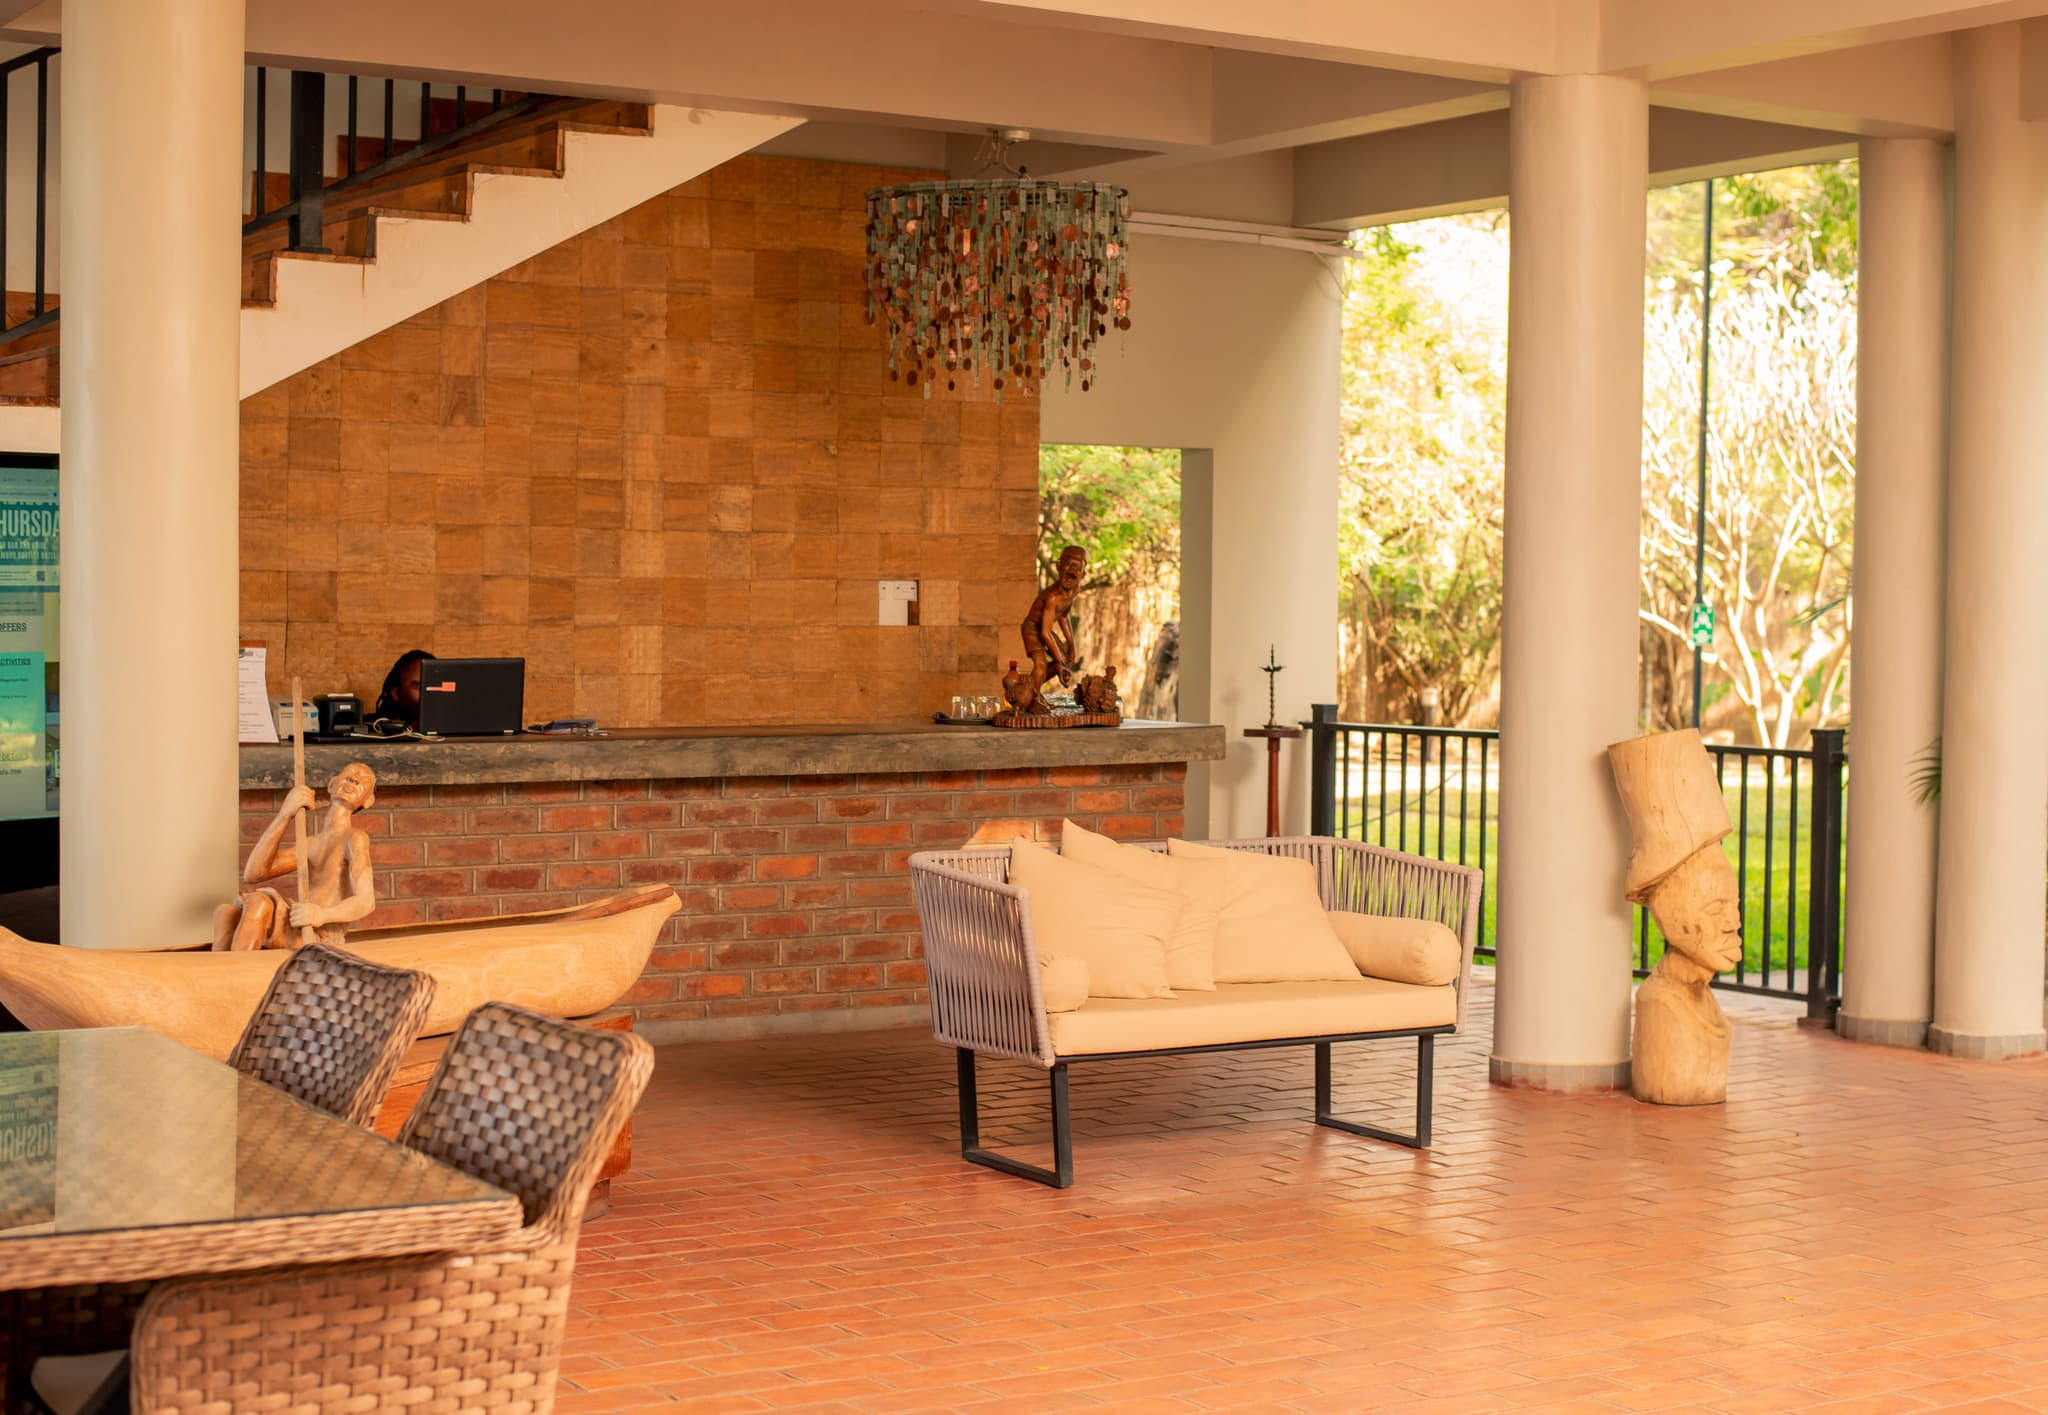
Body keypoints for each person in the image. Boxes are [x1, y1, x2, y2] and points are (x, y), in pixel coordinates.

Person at [211, 762, 380, 951]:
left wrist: (321, 915)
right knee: (225, 913)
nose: (354, 779)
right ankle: (222, 971)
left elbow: (366, 901)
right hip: (297, 925)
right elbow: (253, 873)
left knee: (259, 903)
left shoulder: (355, 838)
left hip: (316, 933)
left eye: (360, 782)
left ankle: (239, 972)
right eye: (348, 776)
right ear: (332, 784)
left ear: (369, 800)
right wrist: (285, 814)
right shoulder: (309, 844)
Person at [373, 648, 435, 728]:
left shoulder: (453, 725)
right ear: (396, 693)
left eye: (435, 685)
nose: (429, 691)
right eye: (419, 686)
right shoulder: (371, 728)